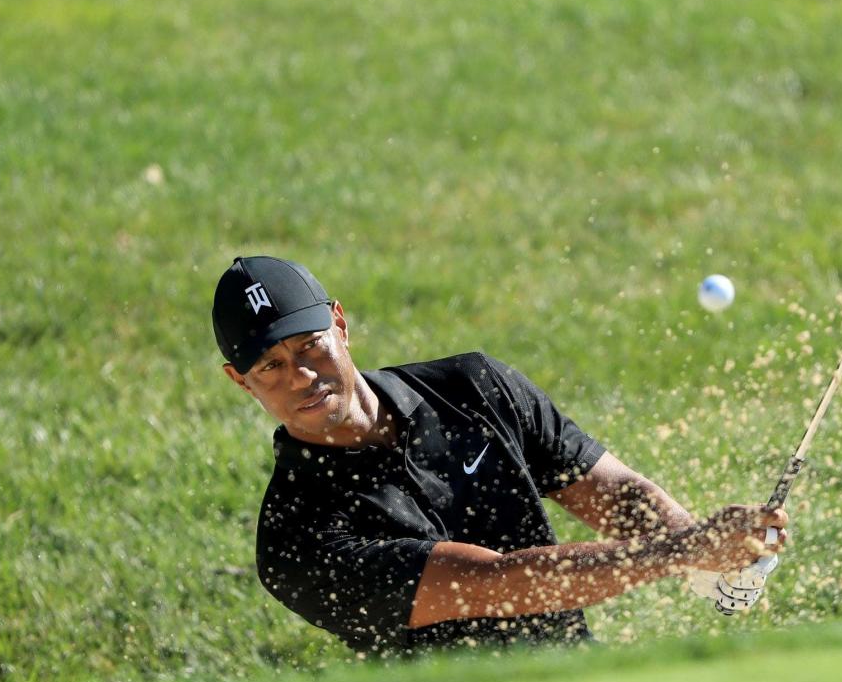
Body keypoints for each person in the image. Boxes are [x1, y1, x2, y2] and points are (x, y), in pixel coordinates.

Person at [213, 255, 788, 656]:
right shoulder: (295, 540)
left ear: (339, 324)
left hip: (579, 678)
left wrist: (704, 556)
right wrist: (680, 550)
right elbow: (499, 584)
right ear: (242, 381)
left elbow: (613, 491)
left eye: (310, 344)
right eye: (271, 366)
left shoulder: (474, 386)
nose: (304, 376)